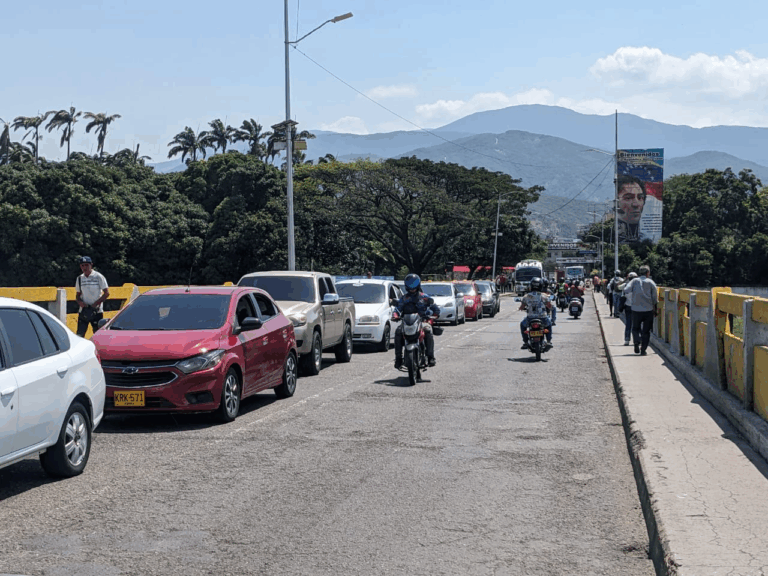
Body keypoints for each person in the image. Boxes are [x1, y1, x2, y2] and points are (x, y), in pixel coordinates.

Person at [393, 273, 440, 369]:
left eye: (414, 284)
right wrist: (395, 315)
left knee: (428, 330)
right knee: (398, 332)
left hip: (421, 322)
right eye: (410, 284)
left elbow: (435, 308)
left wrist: (434, 316)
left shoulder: (424, 297)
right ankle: (398, 358)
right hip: (407, 322)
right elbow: (397, 309)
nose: (412, 287)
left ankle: (430, 357)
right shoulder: (404, 298)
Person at [624, 265, 658, 355]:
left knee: (635, 328)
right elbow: (655, 298)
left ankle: (636, 342)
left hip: (636, 310)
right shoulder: (651, 282)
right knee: (646, 331)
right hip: (648, 310)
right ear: (648, 273)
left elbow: (626, 290)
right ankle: (643, 350)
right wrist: (655, 309)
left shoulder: (634, 281)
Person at [75, 255, 110, 338]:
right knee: (80, 335)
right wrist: (80, 303)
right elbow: (78, 295)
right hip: (84, 311)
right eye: (82, 265)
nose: (84, 267)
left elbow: (106, 293)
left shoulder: (98, 276)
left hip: (96, 311)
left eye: (87, 265)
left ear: (91, 265)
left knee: (98, 335)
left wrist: (96, 304)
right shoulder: (80, 278)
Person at [518, 277, 553, 349]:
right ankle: (549, 341)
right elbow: (549, 306)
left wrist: (521, 308)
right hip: (543, 318)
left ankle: (525, 342)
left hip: (530, 318)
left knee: (522, 325)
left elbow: (522, 307)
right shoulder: (544, 296)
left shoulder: (526, 296)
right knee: (549, 324)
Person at [617, 175, 647, 242]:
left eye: (640, 198)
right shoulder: (612, 235)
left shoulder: (646, 239)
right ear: (616, 202)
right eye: (628, 198)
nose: (636, 204)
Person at [620, 272, 638, 345]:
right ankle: (637, 339)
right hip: (637, 307)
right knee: (637, 324)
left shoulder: (626, 286)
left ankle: (627, 340)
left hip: (628, 306)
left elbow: (622, 295)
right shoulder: (638, 286)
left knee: (628, 323)